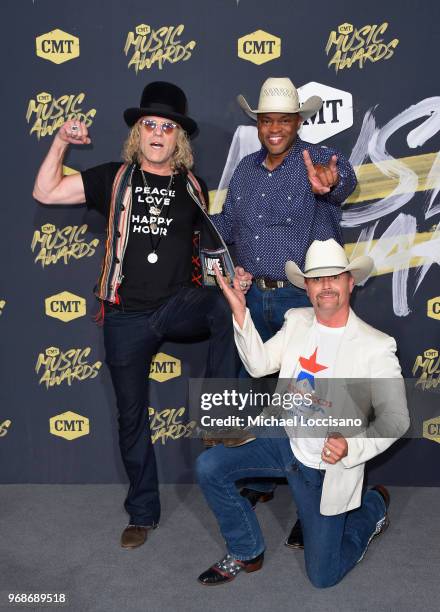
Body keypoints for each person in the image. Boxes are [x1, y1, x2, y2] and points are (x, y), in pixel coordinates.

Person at [32, 81, 246, 550]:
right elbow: (45, 190)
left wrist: (232, 280)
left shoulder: (193, 187)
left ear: (178, 139)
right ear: (137, 133)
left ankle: (221, 422)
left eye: (167, 127)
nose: (157, 133)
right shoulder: (112, 176)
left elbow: (207, 251)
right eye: (149, 124)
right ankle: (143, 513)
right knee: (131, 418)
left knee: (223, 307)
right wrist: (62, 140)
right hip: (125, 315)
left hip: (176, 305)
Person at [196, 239, 409, 588]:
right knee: (209, 466)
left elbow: (396, 418)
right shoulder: (296, 320)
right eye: (317, 279)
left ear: (349, 283)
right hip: (282, 440)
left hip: (324, 467)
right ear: (307, 288)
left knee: (323, 577)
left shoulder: (376, 345)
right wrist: (240, 312)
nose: (326, 285)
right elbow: (259, 363)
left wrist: (351, 447)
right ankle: (246, 549)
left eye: (335, 277)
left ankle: (372, 507)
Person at [210, 77, 358, 544]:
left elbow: (342, 181)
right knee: (254, 393)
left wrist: (331, 184)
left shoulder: (318, 160)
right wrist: (213, 250)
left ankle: (313, 499)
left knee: (308, 403)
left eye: (284, 119)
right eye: (266, 120)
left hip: (302, 298)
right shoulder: (247, 171)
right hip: (255, 297)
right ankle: (255, 482)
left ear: (299, 121)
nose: (274, 128)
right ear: (258, 123)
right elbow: (228, 225)